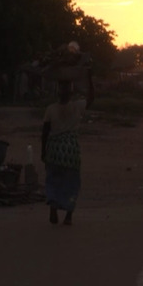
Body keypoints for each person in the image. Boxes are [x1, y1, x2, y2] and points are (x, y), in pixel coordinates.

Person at [41, 70, 94, 225]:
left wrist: (43, 152)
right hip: (71, 151)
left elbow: (45, 132)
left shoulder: (50, 109)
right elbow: (92, 98)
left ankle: (53, 208)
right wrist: (89, 77)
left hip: (54, 151)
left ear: (58, 93)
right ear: (71, 93)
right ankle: (68, 216)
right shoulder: (77, 106)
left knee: (53, 180)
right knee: (71, 183)